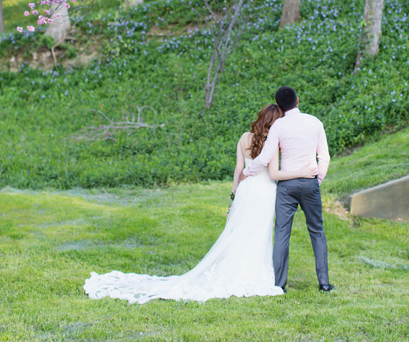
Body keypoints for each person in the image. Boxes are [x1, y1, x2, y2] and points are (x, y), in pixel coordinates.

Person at [84, 105, 287, 303]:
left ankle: (238, 268)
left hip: (245, 190)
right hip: (264, 191)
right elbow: (273, 172)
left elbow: (238, 169)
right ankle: (253, 272)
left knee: (239, 231)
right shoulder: (273, 143)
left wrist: (233, 193)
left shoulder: (244, 138)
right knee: (258, 232)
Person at [242, 86, 333, 292]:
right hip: (309, 182)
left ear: (280, 108)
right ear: (298, 100)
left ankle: (279, 285)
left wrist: (248, 171)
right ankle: (324, 283)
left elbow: (265, 158)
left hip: (286, 186)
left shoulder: (279, 126)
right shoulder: (315, 122)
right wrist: (315, 180)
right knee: (317, 230)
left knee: (282, 232)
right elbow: (324, 156)